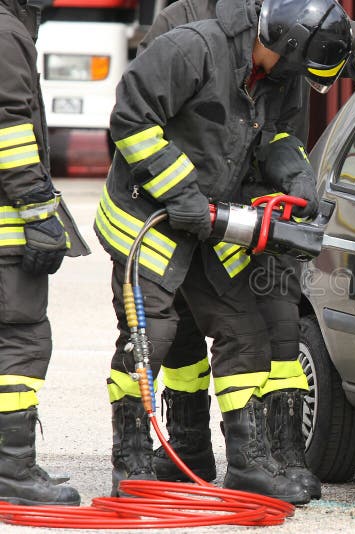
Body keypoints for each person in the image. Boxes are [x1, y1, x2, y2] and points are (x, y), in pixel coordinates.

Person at [96, 0, 355, 504]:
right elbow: (132, 123)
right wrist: (182, 195)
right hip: (149, 223)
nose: (297, 78)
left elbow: (276, 135)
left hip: (209, 225)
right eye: (297, 66)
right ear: (280, 45)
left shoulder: (281, 67)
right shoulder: (190, 46)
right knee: (154, 337)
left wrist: (294, 174)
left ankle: (249, 466)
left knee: (243, 333)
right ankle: (134, 461)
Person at [0, 0, 89, 505]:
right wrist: (38, 210)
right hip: (8, 226)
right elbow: (10, 130)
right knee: (21, 339)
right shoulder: (6, 32)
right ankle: (11, 471)